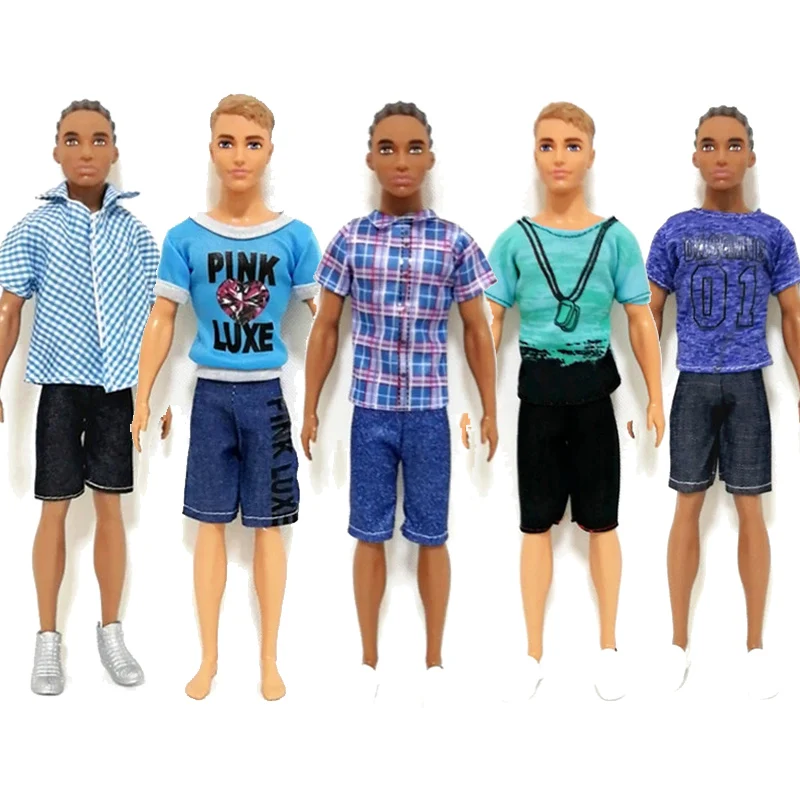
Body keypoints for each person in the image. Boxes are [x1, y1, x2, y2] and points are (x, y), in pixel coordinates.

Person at [302, 101, 498, 704]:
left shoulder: (455, 241)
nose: (401, 161)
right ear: (370, 159)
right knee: (369, 533)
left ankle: (435, 660)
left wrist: (490, 407)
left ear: (431, 158)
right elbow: (326, 327)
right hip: (371, 410)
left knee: (432, 535)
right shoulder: (351, 239)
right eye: (387, 149)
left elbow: (476, 330)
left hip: (430, 412)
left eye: (414, 148)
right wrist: (309, 405)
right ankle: (367, 659)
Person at [132, 94, 319, 701]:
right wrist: (142, 394)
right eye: (227, 142)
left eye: (253, 143)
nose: (239, 156)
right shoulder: (185, 237)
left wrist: (325, 395)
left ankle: (269, 658)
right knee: (208, 525)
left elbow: (324, 320)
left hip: (266, 397)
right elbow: (162, 318)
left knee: (269, 528)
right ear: (211, 149)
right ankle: (208, 657)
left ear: (270, 151)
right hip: (210, 397)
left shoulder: (295, 237)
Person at [485, 101, 663, 701]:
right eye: (547, 145)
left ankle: (609, 647)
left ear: (590, 155)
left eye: (571, 145)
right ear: (534, 154)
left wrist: (655, 395)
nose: (558, 157)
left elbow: (640, 321)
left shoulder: (616, 240)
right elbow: (489, 322)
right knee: (534, 524)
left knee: (603, 523)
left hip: (593, 400)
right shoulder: (514, 240)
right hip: (536, 399)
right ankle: (532, 653)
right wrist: (481, 398)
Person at [0, 99, 164, 695]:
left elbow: (157, 319)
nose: (86, 151)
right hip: (61, 389)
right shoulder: (35, 227)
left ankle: (111, 630)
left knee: (111, 508)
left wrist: (155, 391)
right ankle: (47, 637)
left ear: (114, 150)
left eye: (98, 140)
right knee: (54, 507)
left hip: (118, 389)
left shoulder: (135, 234)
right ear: (55, 150)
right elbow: (7, 308)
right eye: (72, 139)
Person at [646, 105, 800, 699]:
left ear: (751, 156)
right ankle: (677, 643)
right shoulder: (674, 231)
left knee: (750, 509)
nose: (721, 156)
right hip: (691, 382)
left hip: (747, 383)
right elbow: (648, 315)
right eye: (709, 145)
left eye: (734, 145)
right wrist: (647, 390)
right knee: (686, 506)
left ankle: (755, 645)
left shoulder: (773, 233)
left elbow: (793, 315)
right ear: (694, 155)